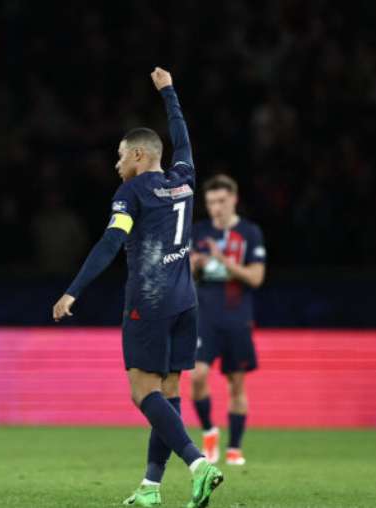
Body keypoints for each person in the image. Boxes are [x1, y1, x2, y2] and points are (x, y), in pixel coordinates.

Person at [53, 67, 223, 508]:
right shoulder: (183, 178)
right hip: (187, 301)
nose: (116, 163)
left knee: (140, 391)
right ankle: (151, 487)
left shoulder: (131, 194)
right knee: (168, 393)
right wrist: (169, 92)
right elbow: (182, 139)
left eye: (120, 155)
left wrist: (74, 290)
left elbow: (112, 241)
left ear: (140, 157)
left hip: (150, 303)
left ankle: (198, 464)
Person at [189, 175, 266, 466]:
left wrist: (223, 260)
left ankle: (234, 448)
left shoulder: (250, 233)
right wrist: (194, 267)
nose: (215, 208)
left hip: (237, 318)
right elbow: (186, 275)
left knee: (236, 384)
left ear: (233, 199)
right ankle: (209, 430)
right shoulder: (198, 231)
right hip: (204, 317)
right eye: (210, 202)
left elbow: (256, 278)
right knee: (197, 375)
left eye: (221, 201)